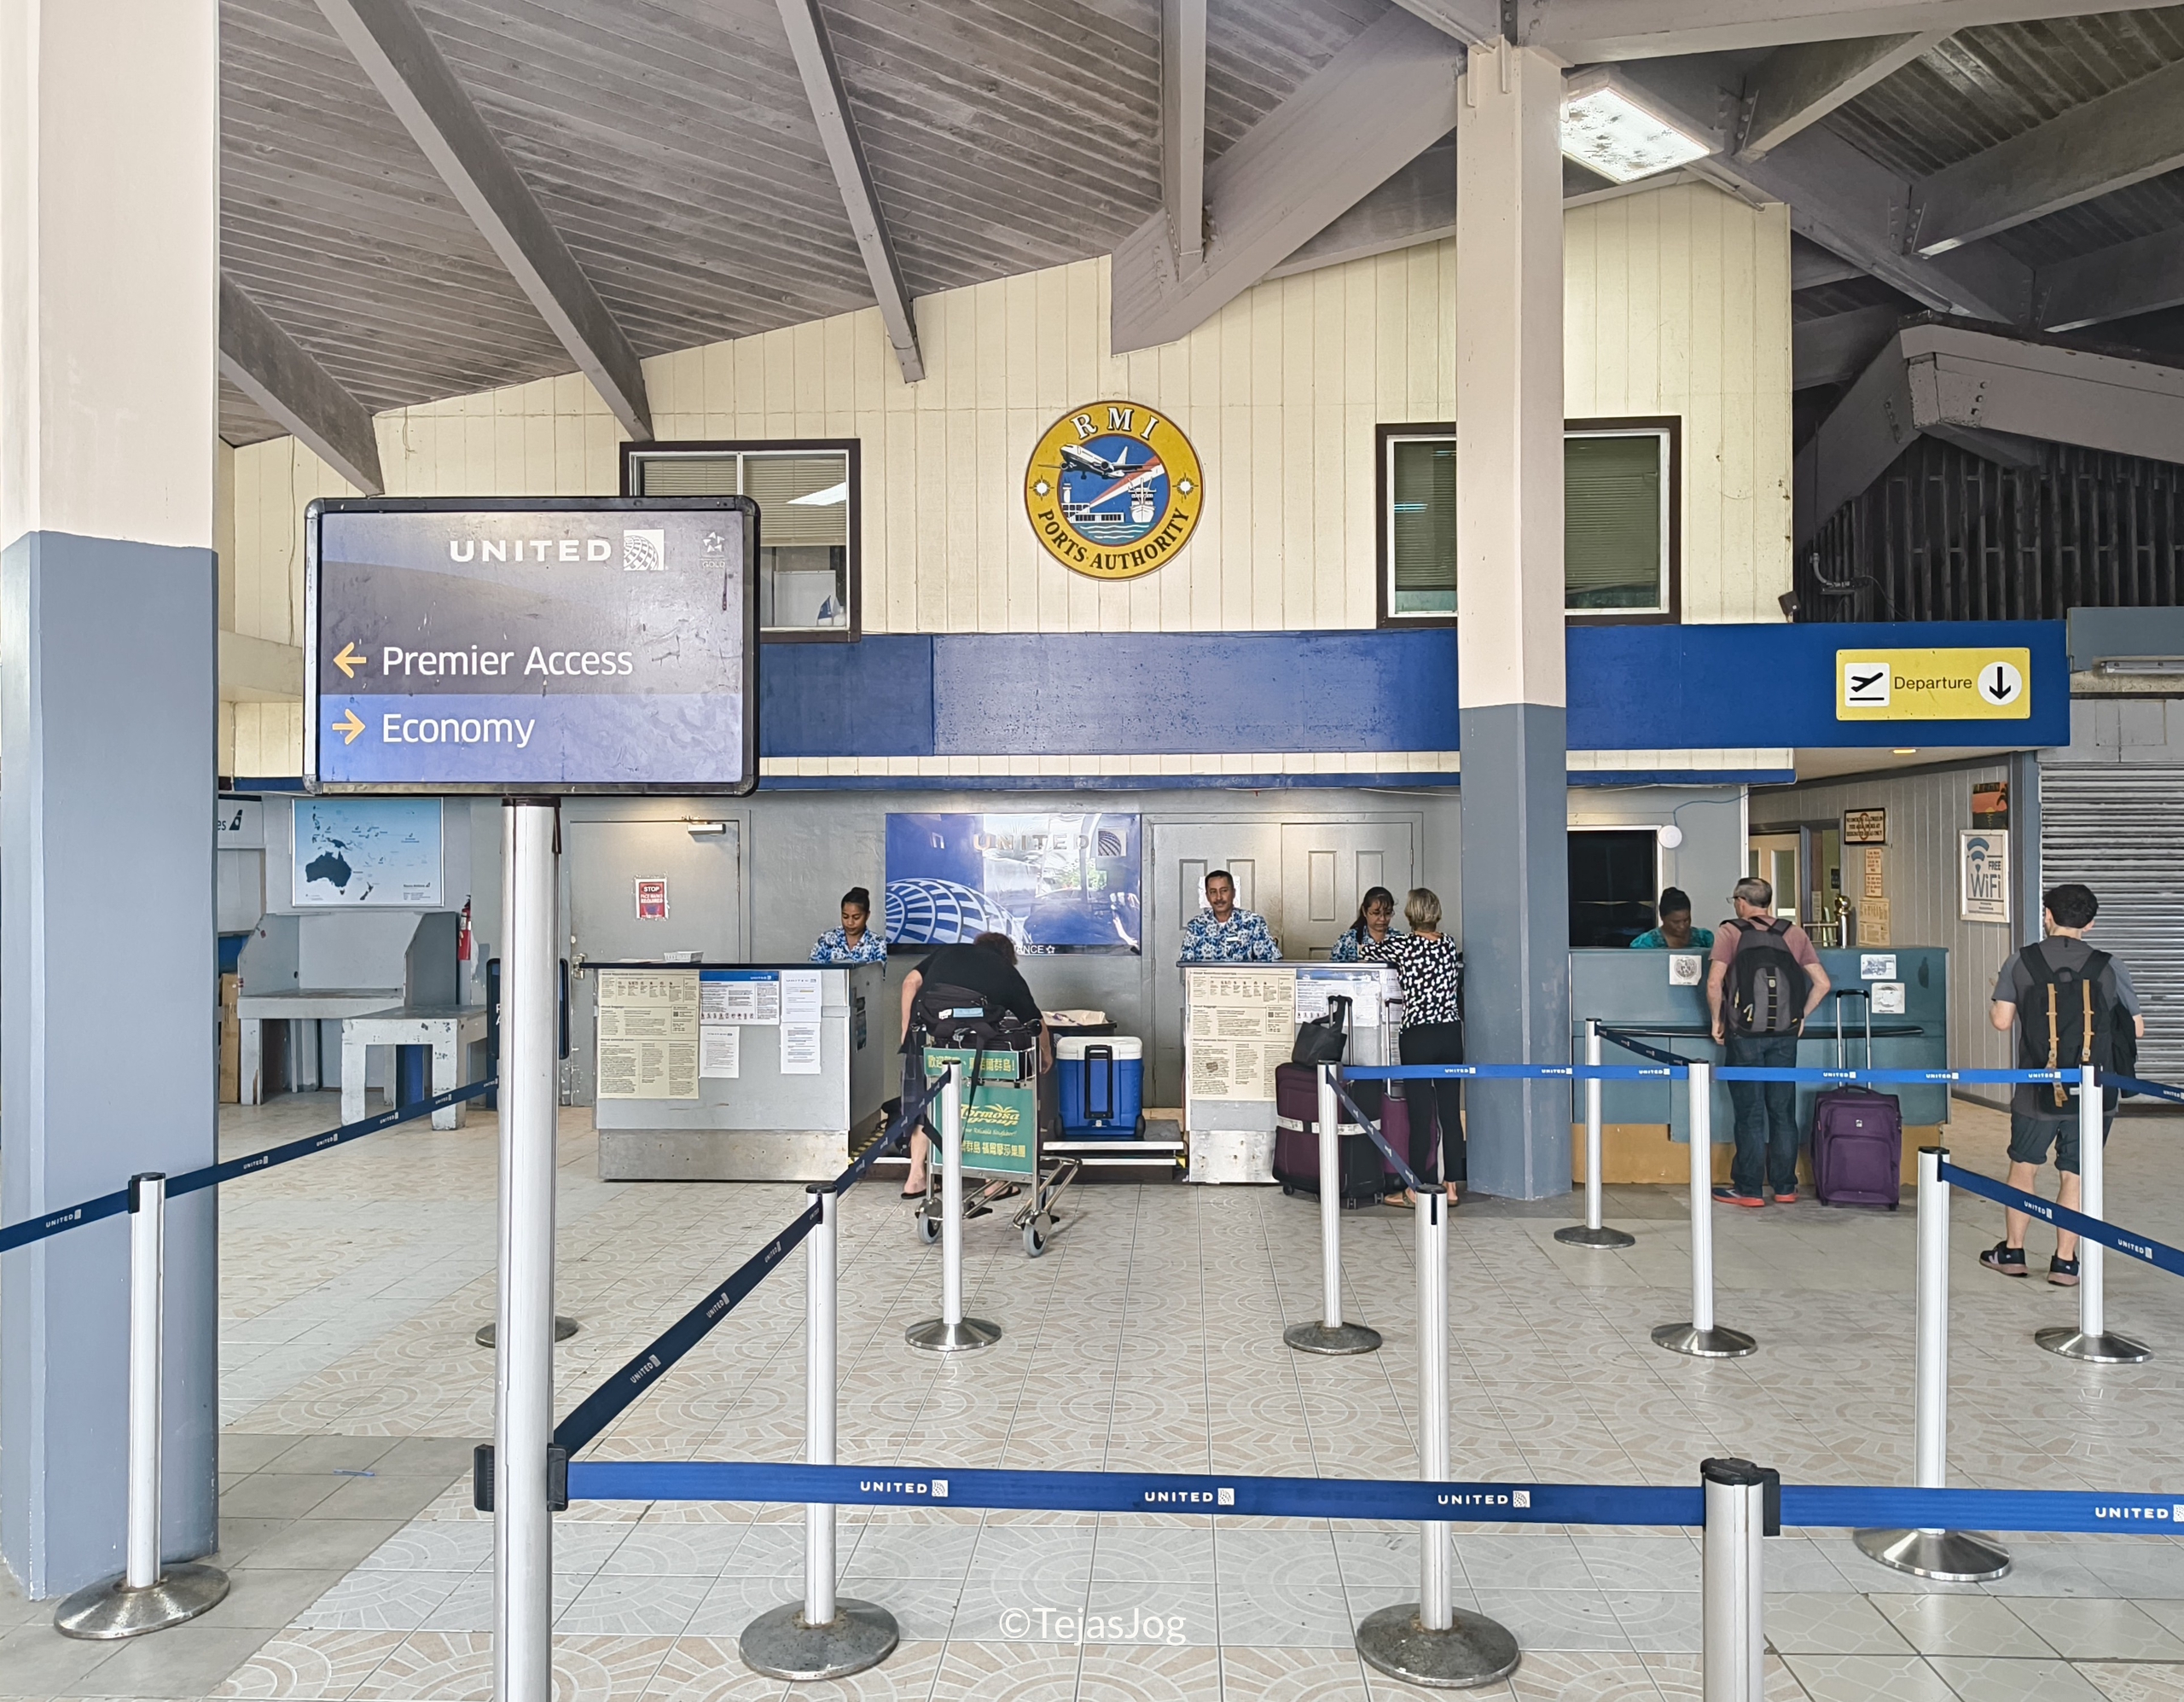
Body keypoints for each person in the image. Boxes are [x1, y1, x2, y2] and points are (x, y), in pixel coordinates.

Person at [1982, 883, 2145, 1286]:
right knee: (2075, 1174)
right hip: (2093, 1092)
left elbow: (2002, 1021)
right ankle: (2065, 1262)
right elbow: (2137, 1029)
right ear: (2090, 924)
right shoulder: (2109, 965)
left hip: (2036, 1088)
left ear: (2048, 916)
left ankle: (2014, 1251)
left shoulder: (2021, 961)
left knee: (2024, 1166)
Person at [1707, 876, 1831, 1207]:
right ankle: (1785, 1187)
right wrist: (1800, 1015)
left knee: (1749, 1112)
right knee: (1782, 1110)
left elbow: (1714, 982)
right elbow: (1822, 983)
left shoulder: (1730, 932)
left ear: (1741, 902)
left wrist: (1717, 1021)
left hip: (1744, 1035)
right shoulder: (1793, 933)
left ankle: (1748, 1189)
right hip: (1784, 1035)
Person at [897, 932, 1049, 1197]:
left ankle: (916, 1178)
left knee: (926, 1102)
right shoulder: (1005, 972)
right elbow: (1035, 1022)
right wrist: (1046, 1053)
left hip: (933, 1041)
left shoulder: (948, 952)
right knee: (986, 1102)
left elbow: (911, 982)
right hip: (977, 1050)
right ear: (1007, 956)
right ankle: (993, 1181)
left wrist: (906, 1029)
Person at [1385, 888, 1464, 1206]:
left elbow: (1368, 951)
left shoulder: (1402, 945)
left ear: (1409, 915)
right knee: (1449, 1112)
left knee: (1420, 1114)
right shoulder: (1448, 944)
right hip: (1449, 1033)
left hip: (1417, 1034)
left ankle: (1417, 1189)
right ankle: (1453, 1186)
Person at [1180, 869, 1281, 961]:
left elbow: (1271, 963)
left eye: (1224, 891)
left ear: (1233, 893)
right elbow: (1187, 966)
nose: (1219, 897)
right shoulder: (1196, 926)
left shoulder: (1253, 923)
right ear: (1207, 896)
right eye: (1213, 892)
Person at [810, 886, 886, 963]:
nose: (850, 923)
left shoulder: (877, 944)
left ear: (867, 915)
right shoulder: (828, 939)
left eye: (856, 918)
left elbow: (880, 973)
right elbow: (813, 971)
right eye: (845, 917)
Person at [1629, 886, 1714, 951]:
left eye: (1686, 920)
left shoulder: (1705, 939)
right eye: (1676, 922)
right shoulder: (1645, 944)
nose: (1682, 926)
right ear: (1662, 917)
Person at [1330, 886, 1400, 962]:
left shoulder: (1398, 939)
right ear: (1364, 911)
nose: (1382, 919)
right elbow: (1333, 971)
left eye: (1388, 913)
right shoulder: (1348, 940)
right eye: (1376, 913)